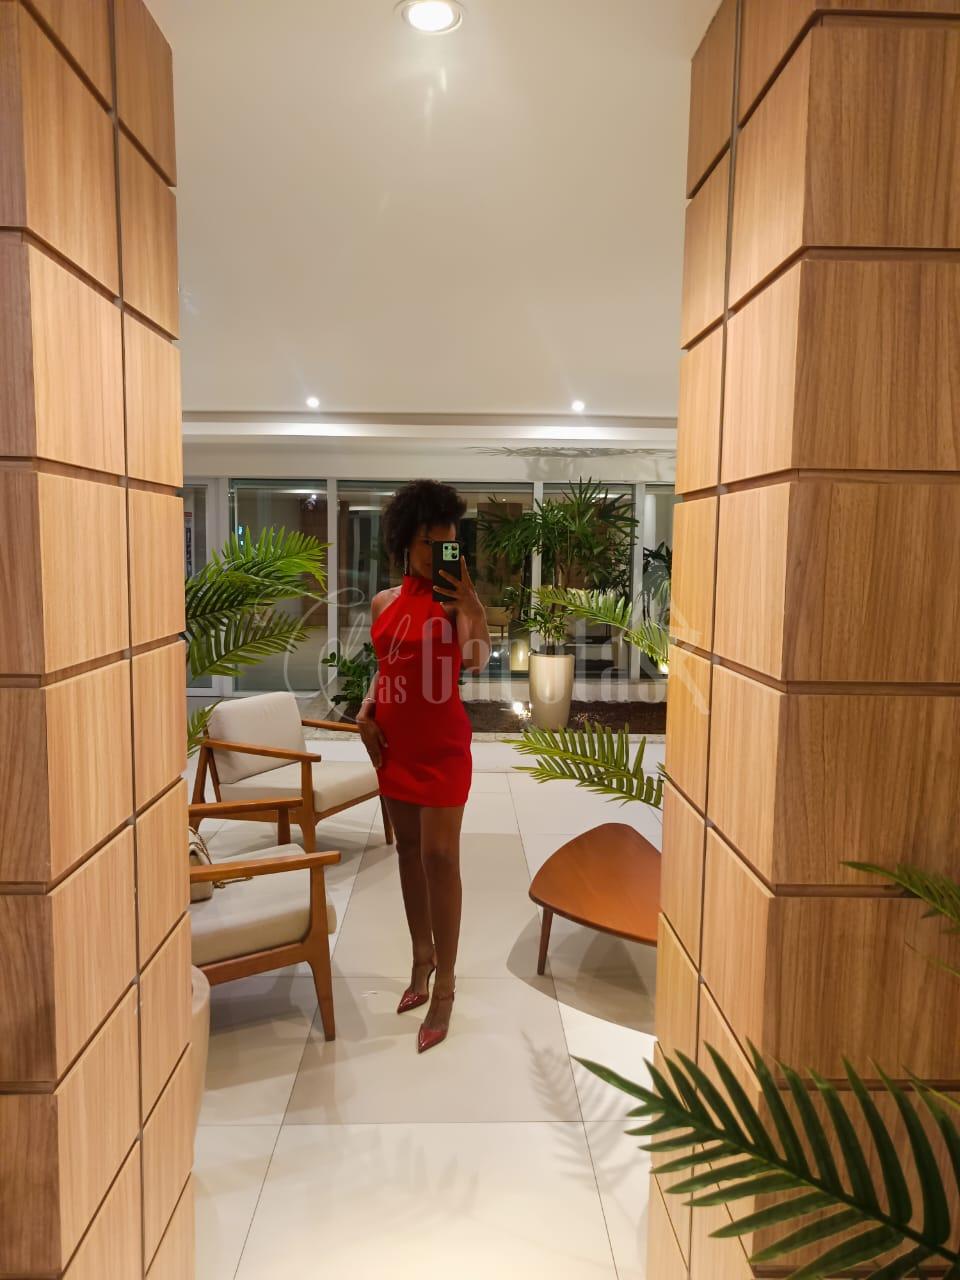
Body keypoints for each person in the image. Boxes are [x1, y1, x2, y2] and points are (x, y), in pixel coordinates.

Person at [357, 480, 491, 1053]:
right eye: (429, 543)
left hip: (441, 746)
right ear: (405, 541)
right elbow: (386, 665)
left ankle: (448, 985)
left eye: (447, 544)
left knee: (441, 856)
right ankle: (421, 959)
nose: (438, 554)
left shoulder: (454, 602)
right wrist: (366, 706)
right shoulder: (383, 603)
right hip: (394, 745)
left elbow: (476, 661)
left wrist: (472, 606)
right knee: (408, 851)